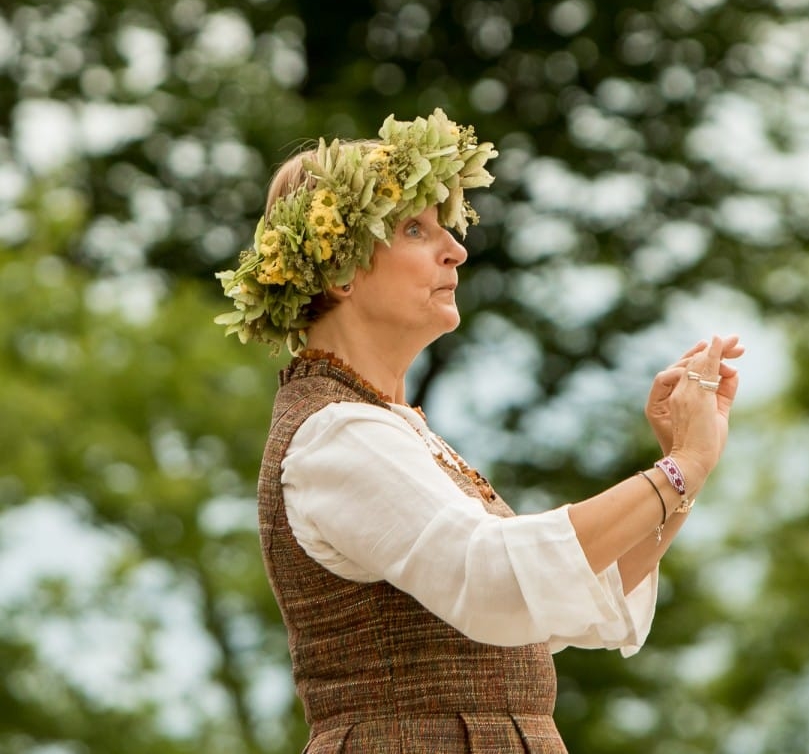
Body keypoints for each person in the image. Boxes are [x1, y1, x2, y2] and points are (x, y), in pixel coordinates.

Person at [215, 109, 743, 752]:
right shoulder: (336, 435)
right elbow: (496, 579)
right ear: (340, 272)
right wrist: (677, 467)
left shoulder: (387, 430)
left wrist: (683, 471)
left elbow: (561, 600)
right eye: (415, 229)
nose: (456, 250)